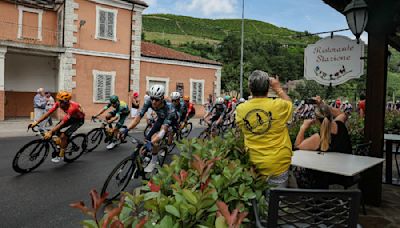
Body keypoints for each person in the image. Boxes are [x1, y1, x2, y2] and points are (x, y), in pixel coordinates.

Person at [235, 70, 293, 187]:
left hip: (255, 164)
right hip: (278, 163)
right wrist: (278, 88)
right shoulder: (278, 105)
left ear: (250, 88)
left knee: (257, 201)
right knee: (276, 201)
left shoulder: (241, 109)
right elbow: (289, 104)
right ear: (268, 88)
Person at [294, 98, 352, 189]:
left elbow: (297, 146)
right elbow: (342, 113)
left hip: (324, 178)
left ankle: (309, 197)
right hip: (344, 174)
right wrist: (322, 105)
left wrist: (303, 127)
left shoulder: (317, 138)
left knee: (298, 171)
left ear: (316, 120)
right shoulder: (341, 125)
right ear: (330, 115)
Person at [122, 85, 178, 173]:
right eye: (152, 98)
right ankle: (146, 157)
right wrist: (127, 129)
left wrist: (151, 143)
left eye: (156, 99)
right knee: (146, 140)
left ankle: (154, 161)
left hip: (171, 122)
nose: (153, 101)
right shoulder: (148, 101)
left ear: (162, 98)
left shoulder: (169, 108)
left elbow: (163, 130)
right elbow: (137, 118)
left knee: (154, 141)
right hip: (160, 119)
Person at [28, 91, 85, 163]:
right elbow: (48, 113)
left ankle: (61, 155)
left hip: (78, 120)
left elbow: (62, 123)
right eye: (58, 100)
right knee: (56, 131)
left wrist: (50, 132)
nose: (59, 103)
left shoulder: (72, 108)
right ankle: (63, 142)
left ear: (66, 102)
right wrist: (36, 122)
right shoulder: (59, 103)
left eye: (61, 101)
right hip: (70, 118)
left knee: (63, 136)